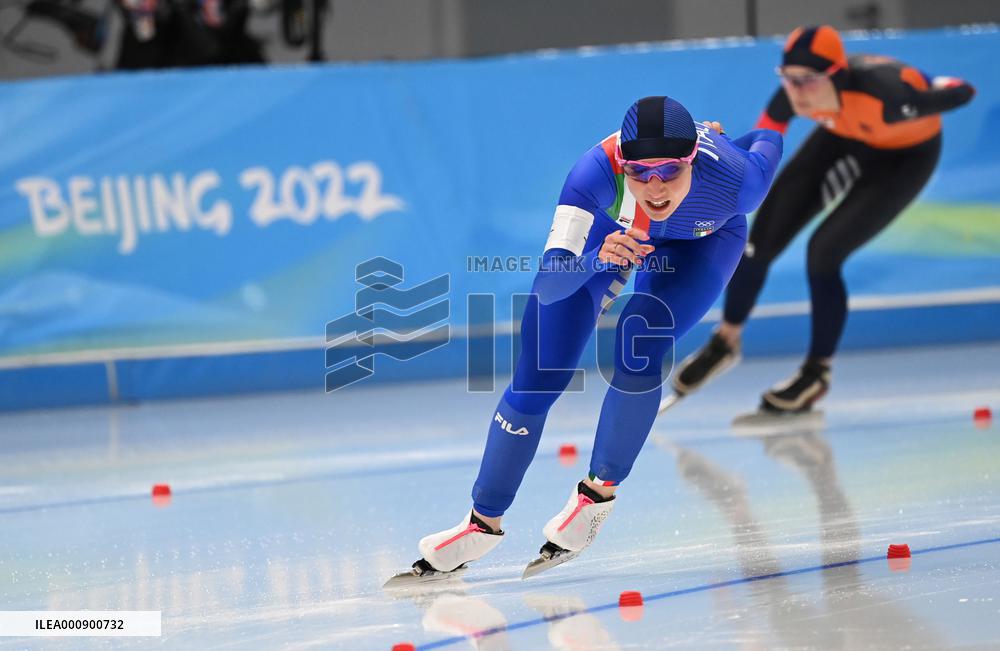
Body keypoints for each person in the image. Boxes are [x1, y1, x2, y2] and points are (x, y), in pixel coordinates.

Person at [395, 96, 783, 580]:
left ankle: (597, 495)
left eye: (669, 172)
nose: (655, 188)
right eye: (640, 172)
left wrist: (729, 141)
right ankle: (481, 523)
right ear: (622, 164)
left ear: (692, 161)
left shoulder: (739, 181)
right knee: (536, 375)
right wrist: (599, 258)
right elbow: (550, 283)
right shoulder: (592, 174)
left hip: (702, 242)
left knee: (639, 341)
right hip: (608, 236)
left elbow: (770, 140)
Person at [673, 25, 975, 415]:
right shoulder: (792, 96)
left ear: (837, 75)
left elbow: (962, 91)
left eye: (807, 81)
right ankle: (725, 341)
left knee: (824, 253)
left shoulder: (889, 94)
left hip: (906, 157)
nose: (796, 91)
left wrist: (937, 90)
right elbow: (755, 152)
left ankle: (817, 373)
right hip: (844, 136)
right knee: (760, 236)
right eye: (788, 79)